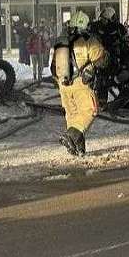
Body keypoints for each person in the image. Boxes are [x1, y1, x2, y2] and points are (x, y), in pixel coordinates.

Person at [51, 10, 107, 157]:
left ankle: (77, 148)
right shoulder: (88, 40)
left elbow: (53, 67)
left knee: (73, 115)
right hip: (80, 83)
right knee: (90, 110)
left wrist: (61, 82)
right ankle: (70, 136)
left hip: (63, 85)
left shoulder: (60, 42)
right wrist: (92, 68)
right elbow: (102, 59)